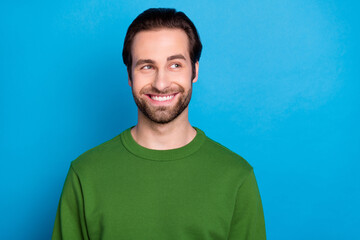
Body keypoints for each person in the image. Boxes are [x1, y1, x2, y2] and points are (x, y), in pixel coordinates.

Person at [52, 8, 266, 240]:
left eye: (175, 65)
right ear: (129, 76)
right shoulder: (85, 175)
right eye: (147, 66)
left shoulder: (237, 177)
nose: (161, 83)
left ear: (194, 71)